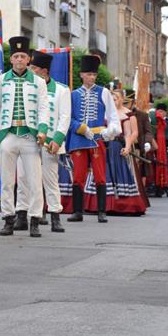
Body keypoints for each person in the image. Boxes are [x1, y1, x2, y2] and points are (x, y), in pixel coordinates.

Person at [0, 36, 48, 237]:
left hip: (30, 137)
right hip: (9, 135)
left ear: (29, 59)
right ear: (11, 58)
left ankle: (34, 219)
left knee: (33, 179)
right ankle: (8, 219)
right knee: (7, 180)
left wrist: (41, 131)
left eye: (23, 56)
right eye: (16, 56)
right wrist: (5, 126)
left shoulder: (39, 82)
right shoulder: (0, 80)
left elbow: (43, 109)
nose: (20, 59)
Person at [65, 55, 120, 223]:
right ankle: (77, 212)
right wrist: (81, 128)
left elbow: (113, 116)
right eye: (88, 74)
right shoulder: (73, 95)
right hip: (78, 140)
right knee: (78, 176)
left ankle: (101, 211)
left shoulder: (103, 92)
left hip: (97, 139)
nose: (91, 78)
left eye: (94, 75)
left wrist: (109, 131)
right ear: (81, 75)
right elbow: (68, 118)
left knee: (100, 175)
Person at [23, 50, 70, 233]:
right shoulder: (28, 87)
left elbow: (65, 117)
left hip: (50, 142)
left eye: (33, 68)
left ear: (44, 71)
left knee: (50, 179)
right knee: (26, 178)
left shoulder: (61, 90)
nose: (30, 71)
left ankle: (55, 216)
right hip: (29, 139)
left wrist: (57, 140)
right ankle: (29, 214)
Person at [92, 89, 146, 215]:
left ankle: (119, 204)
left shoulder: (127, 114)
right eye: (111, 98)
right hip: (103, 146)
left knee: (119, 173)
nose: (113, 100)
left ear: (122, 99)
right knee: (101, 172)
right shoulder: (105, 113)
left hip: (117, 146)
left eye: (115, 98)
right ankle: (99, 204)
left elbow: (130, 133)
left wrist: (127, 147)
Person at [153, 103, 168, 197]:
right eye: (159, 111)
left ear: (165, 112)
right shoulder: (154, 119)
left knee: (164, 165)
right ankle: (158, 187)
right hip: (156, 146)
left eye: (162, 112)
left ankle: (163, 186)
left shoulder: (167, 122)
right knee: (157, 166)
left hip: (164, 147)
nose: (160, 113)